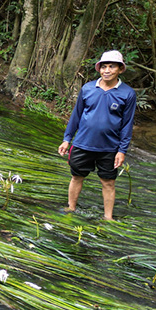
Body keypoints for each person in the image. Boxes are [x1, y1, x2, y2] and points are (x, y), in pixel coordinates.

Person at [58, 50, 136, 221]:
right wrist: (66, 139)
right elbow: (76, 115)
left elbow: (127, 124)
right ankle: (71, 208)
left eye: (111, 67)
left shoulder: (127, 94)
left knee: (108, 182)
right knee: (77, 176)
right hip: (82, 143)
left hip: (109, 147)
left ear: (120, 69)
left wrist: (122, 150)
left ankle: (108, 218)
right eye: (104, 66)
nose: (107, 70)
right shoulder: (87, 88)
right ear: (99, 68)